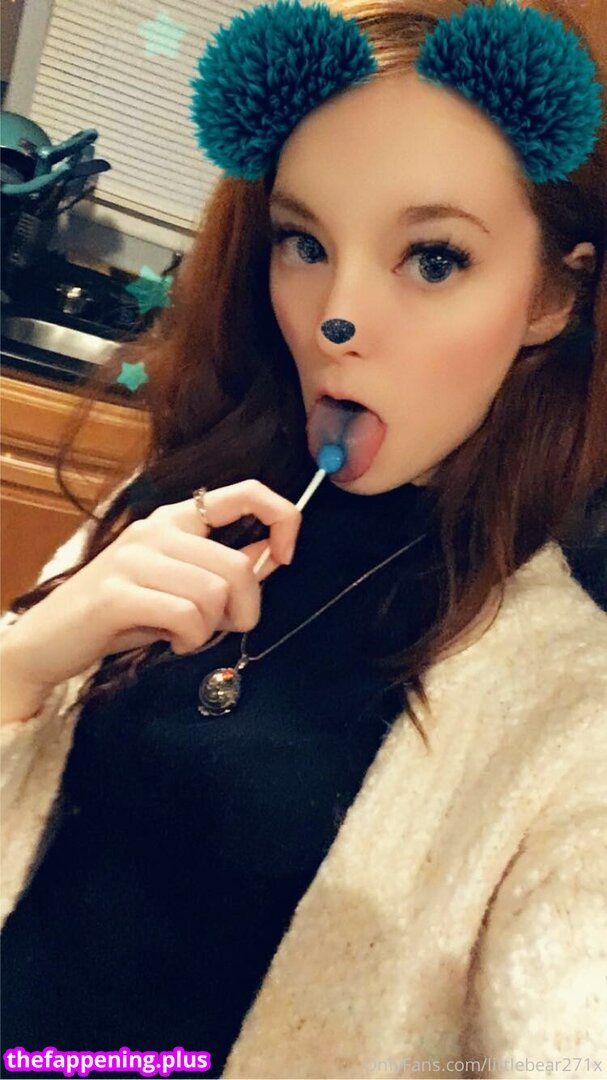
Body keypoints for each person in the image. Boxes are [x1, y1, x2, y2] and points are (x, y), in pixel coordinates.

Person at [1, 0, 606, 1077]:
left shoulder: (570, 711)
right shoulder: (177, 494)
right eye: (305, 243)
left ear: (550, 298)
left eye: (433, 258)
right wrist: (24, 662)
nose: (337, 321)